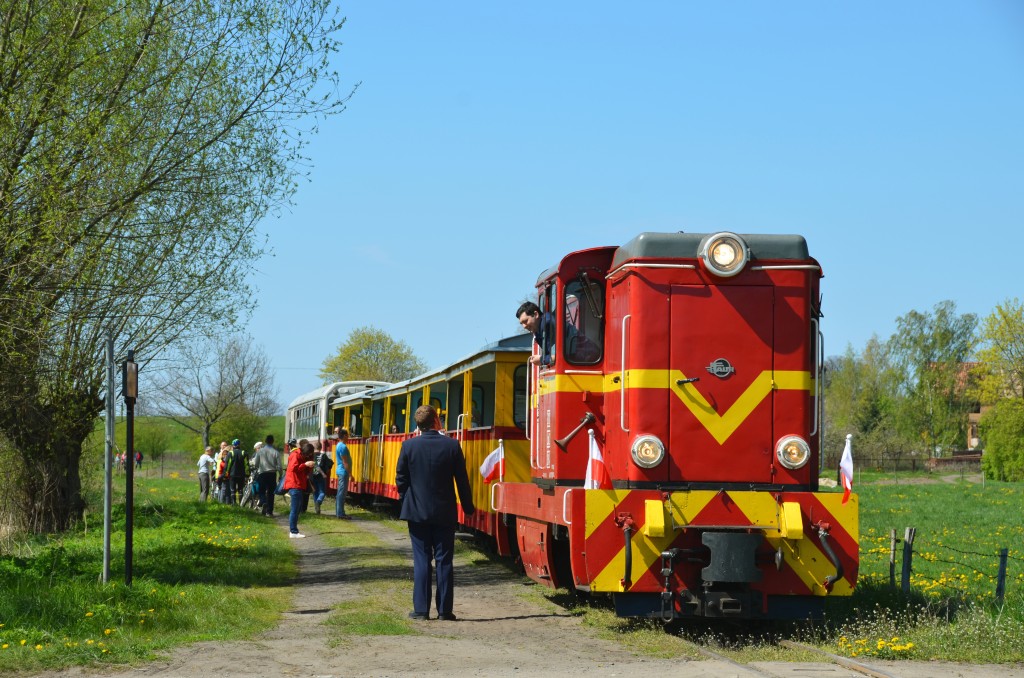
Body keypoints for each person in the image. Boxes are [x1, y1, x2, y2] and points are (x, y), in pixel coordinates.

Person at [395, 405, 476, 621]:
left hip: (416, 513)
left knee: (421, 560)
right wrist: (468, 508)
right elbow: (462, 481)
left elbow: (401, 479)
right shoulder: (451, 446)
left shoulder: (408, 446)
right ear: (436, 421)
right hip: (444, 512)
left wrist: (407, 502)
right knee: (444, 560)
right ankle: (444, 611)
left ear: (418, 424)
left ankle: (421, 610)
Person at [283, 441, 316, 538]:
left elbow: (305, 472)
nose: (309, 456)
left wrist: (309, 465)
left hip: (299, 484)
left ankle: (294, 531)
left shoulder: (302, 456)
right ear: (305, 452)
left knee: (297, 509)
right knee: (295, 509)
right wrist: (305, 464)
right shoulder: (295, 455)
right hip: (294, 484)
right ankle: (293, 531)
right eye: (309, 454)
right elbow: (294, 468)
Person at [516, 301, 556, 367]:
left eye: (525, 321)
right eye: (521, 323)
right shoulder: (540, 330)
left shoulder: (547, 325)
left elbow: (557, 357)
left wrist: (541, 359)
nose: (524, 326)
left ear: (536, 314)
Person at [254, 435, 280, 516]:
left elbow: (256, 463)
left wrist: (258, 468)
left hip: (262, 473)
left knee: (261, 490)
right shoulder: (276, 452)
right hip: (272, 474)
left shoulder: (260, 451)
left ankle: (263, 501)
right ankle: (269, 511)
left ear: (265, 441)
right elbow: (279, 466)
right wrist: (281, 475)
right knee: (271, 493)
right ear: (272, 441)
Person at [334, 427, 352, 520]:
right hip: (343, 472)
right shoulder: (343, 446)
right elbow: (345, 462)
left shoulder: (339, 445)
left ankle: (339, 512)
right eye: (347, 435)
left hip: (341, 471)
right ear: (344, 436)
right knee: (342, 493)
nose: (348, 437)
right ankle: (340, 513)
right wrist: (350, 474)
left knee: (340, 493)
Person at [226, 438, 248, 505]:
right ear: (239, 445)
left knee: (232, 489)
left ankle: (233, 503)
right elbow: (246, 465)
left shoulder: (230, 453)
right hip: (241, 474)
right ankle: (241, 504)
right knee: (240, 489)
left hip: (232, 474)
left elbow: (228, 465)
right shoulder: (244, 452)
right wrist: (247, 474)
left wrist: (226, 473)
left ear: (233, 446)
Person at [309, 441, 328, 514]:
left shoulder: (311, 456)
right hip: (321, 476)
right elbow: (327, 466)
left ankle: (316, 508)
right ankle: (318, 502)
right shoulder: (324, 456)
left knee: (315, 492)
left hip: (313, 476)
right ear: (321, 447)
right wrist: (324, 473)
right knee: (322, 492)